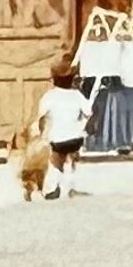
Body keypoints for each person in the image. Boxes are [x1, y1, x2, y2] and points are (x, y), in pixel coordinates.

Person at [36, 65, 95, 201]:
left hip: (57, 138)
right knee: (71, 160)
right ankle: (70, 188)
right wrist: (86, 128)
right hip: (76, 137)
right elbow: (89, 113)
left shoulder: (49, 96)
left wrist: (41, 134)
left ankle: (52, 188)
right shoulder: (77, 95)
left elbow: (41, 116)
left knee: (56, 161)